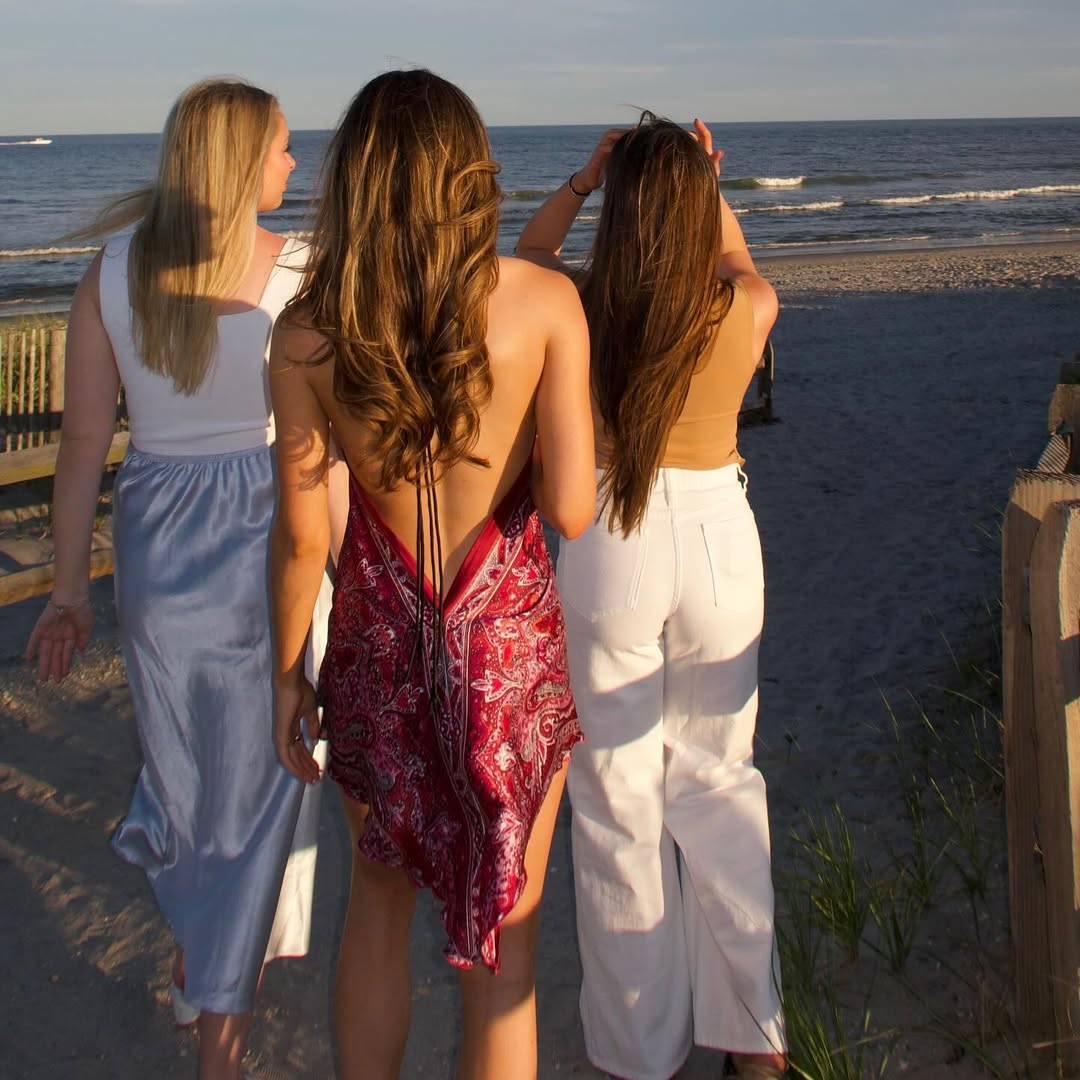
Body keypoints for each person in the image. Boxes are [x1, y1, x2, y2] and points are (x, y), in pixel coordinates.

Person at [267, 69, 596, 1080]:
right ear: (472, 174)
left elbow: (305, 539)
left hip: (378, 647)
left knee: (374, 908)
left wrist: (287, 677)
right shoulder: (543, 301)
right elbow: (572, 510)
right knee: (507, 947)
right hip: (507, 658)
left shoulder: (308, 333)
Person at [24, 78, 335, 1080]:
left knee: (191, 770)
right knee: (264, 784)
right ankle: (219, 1040)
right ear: (242, 161)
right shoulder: (301, 269)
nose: (294, 162)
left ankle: (198, 952)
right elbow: (334, 443)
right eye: (282, 147)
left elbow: (83, 445)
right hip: (267, 530)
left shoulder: (111, 270)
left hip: (157, 535)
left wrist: (70, 592)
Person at [516, 117, 786, 1079]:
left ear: (623, 206)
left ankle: (641, 1053)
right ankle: (752, 1041)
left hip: (613, 539)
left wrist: (583, 181)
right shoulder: (744, 308)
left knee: (617, 803)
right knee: (721, 782)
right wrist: (707, 184)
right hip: (718, 542)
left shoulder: (579, 305)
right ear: (697, 207)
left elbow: (526, 257)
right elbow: (739, 262)